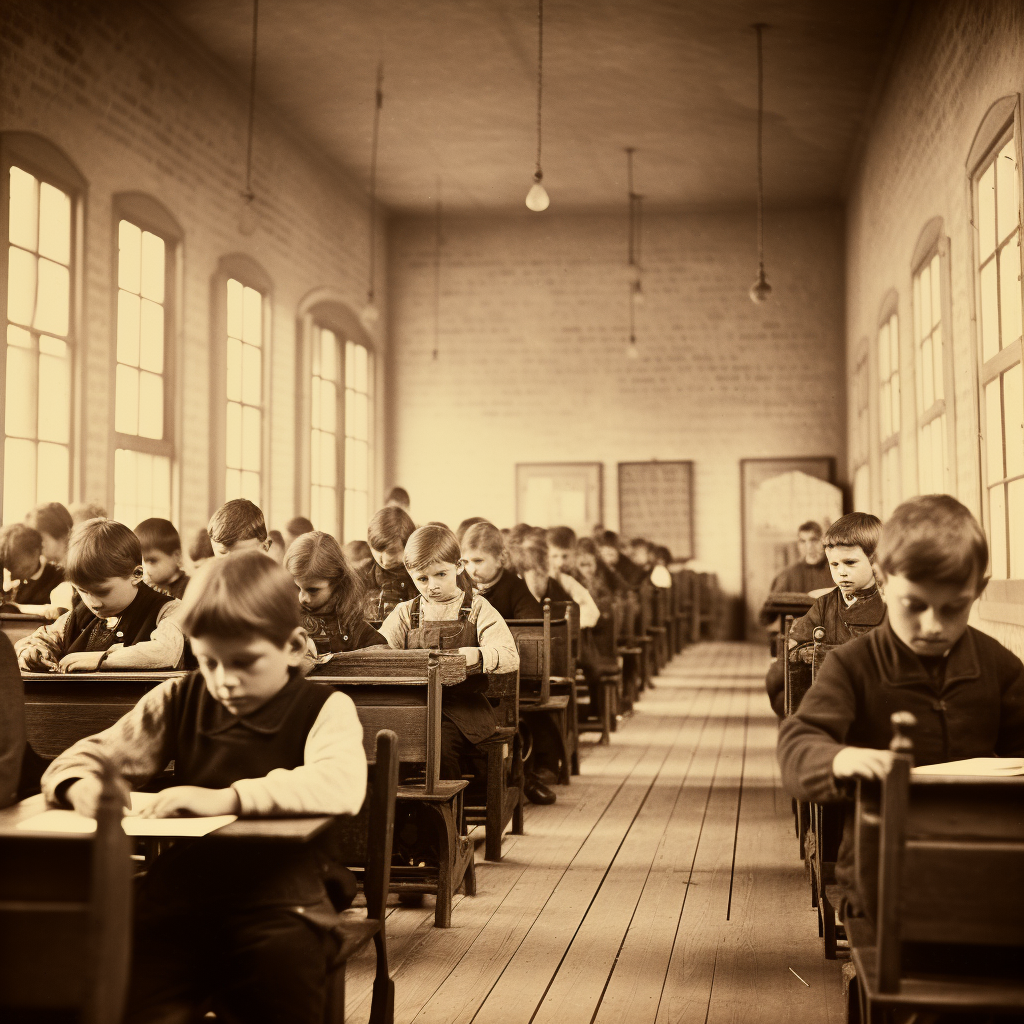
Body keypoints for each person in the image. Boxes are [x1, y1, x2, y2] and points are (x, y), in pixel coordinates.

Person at [40, 551, 368, 1024]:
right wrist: (79, 785)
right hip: (185, 892)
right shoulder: (180, 696)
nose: (224, 681)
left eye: (244, 662)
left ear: (294, 648)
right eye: (209, 661)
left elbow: (340, 783)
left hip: (283, 897)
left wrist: (230, 798)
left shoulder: (324, 706)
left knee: (278, 981)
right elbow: (84, 756)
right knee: (121, 981)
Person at [777, 495, 1024, 913]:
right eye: (914, 606)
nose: (933, 626)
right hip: (884, 863)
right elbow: (798, 746)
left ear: (977, 591)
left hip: (984, 850)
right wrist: (840, 759)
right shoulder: (852, 665)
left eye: (954, 608)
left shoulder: (996, 664)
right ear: (886, 583)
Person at [379, 524, 518, 789]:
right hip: (416, 708)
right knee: (388, 742)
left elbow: (510, 655)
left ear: (458, 566)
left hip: (463, 712)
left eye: (440, 574)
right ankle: (404, 821)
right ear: (410, 575)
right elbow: (380, 650)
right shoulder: (405, 613)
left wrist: (477, 654)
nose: (432, 586)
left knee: (439, 746)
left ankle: (451, 825)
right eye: (422, 579)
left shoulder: (477, 608)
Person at [15, 518, 184, 672]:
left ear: (137, 574)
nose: (92, 602)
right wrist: (32, 653)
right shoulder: (75, 618)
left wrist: (101, 658)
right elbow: (35, 641)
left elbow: (166, 651)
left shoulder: (169, 611)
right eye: (83, 591)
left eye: (102, 591)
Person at [764, 512, 885, 718]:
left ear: (874, 560)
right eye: (834, 565)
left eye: (850, 563)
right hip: (827, 708)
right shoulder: (824, 605)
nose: (841, 573)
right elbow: (790, 659)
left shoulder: (891, 605)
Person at [284, 531, 387, 662]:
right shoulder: (282, 620)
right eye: (296, 588)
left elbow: (383, 659)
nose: (302, 598)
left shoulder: (352, 625)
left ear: (337, 583)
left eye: (313, 590)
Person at [462, 521, 541, 620]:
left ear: (501, 558)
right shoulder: (461, 586)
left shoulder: (515, 588)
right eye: (466, 562)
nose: (472, 570)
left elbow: (532, 627)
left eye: (478, 561)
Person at [0, 522, 73, 616]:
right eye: (8, 566)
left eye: (17, 563)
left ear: (36, 552)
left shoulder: (60, 577)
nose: (12, 574)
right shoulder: (11, 581)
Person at [362, 505, 417, 620]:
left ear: (408, 544)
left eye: (392, 551)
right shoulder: (360, 578)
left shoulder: (422, 576)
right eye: (377, 550)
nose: (384, 560)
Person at [769, 520, 833, 595]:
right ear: (798, 545)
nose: (809, 547)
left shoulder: (836, 570)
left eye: (814, 540)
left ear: (823, 541)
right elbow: (773, 604)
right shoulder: (787, 575)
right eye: (803, 541)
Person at [135, 518, 190, 600]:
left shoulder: (191, 589)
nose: (146, 569)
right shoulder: (146, 588)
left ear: (176, 556)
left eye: (152, 561)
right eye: (140, 562)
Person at [24, 501, 74, 567]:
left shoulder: (79, 566)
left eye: (40, 538)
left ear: (56, 529)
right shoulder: (52, 568)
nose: (36, 546)